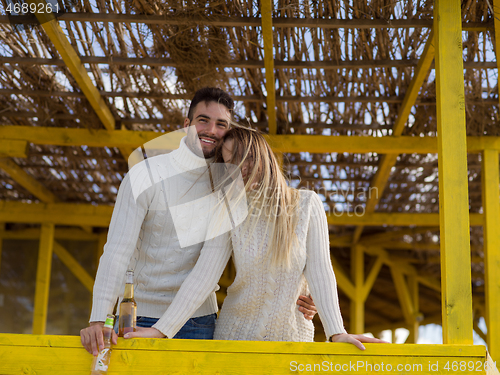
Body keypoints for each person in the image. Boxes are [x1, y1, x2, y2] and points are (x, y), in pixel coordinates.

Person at [80, 88, 317, 355]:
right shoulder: (145, 174)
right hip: (141, 316)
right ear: (187, 125)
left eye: (221, 124)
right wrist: (99, 319)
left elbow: (270, 249)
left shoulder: (234, 186)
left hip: (201, 323)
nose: (211, 130)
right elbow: (117, 251)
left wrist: (301, 295)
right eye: (203, 120)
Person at [125, 126, 386, 349]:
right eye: (230, 162)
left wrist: (336, 332)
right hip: (234, 341)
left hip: (291, 342)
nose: (241, 167)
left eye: (245, 156)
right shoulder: (227, 209)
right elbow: (204, 277)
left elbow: (321, 271)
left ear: (262, 155)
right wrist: (162, 330)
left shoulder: (306, 204)